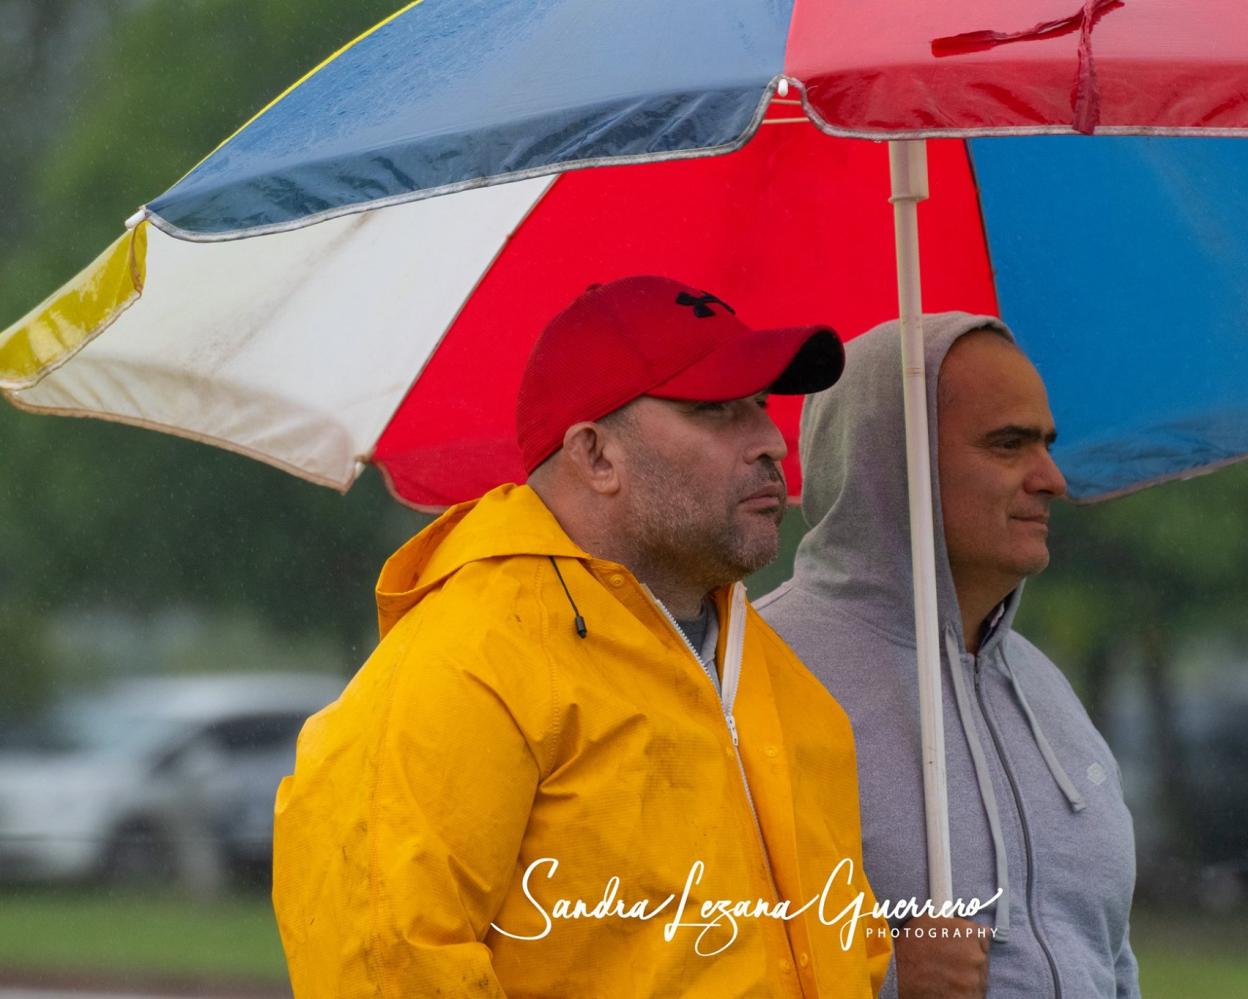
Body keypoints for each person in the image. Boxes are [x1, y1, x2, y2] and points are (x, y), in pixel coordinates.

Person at [272, 276, 892, 997]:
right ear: (596, 455)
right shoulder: (470, 658)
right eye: (716, 409)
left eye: (760, 404)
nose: (769, 441)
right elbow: (382, 961)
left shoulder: (782, 681)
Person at [759, 314, 1140, 998]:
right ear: (890, 458)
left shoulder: (1046, 690)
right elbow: (682, 948)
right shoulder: (754, 677)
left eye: (1046, 444)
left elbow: (1110, 960)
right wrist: (884, 977)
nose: (1052, 477)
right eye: (1008, 445)